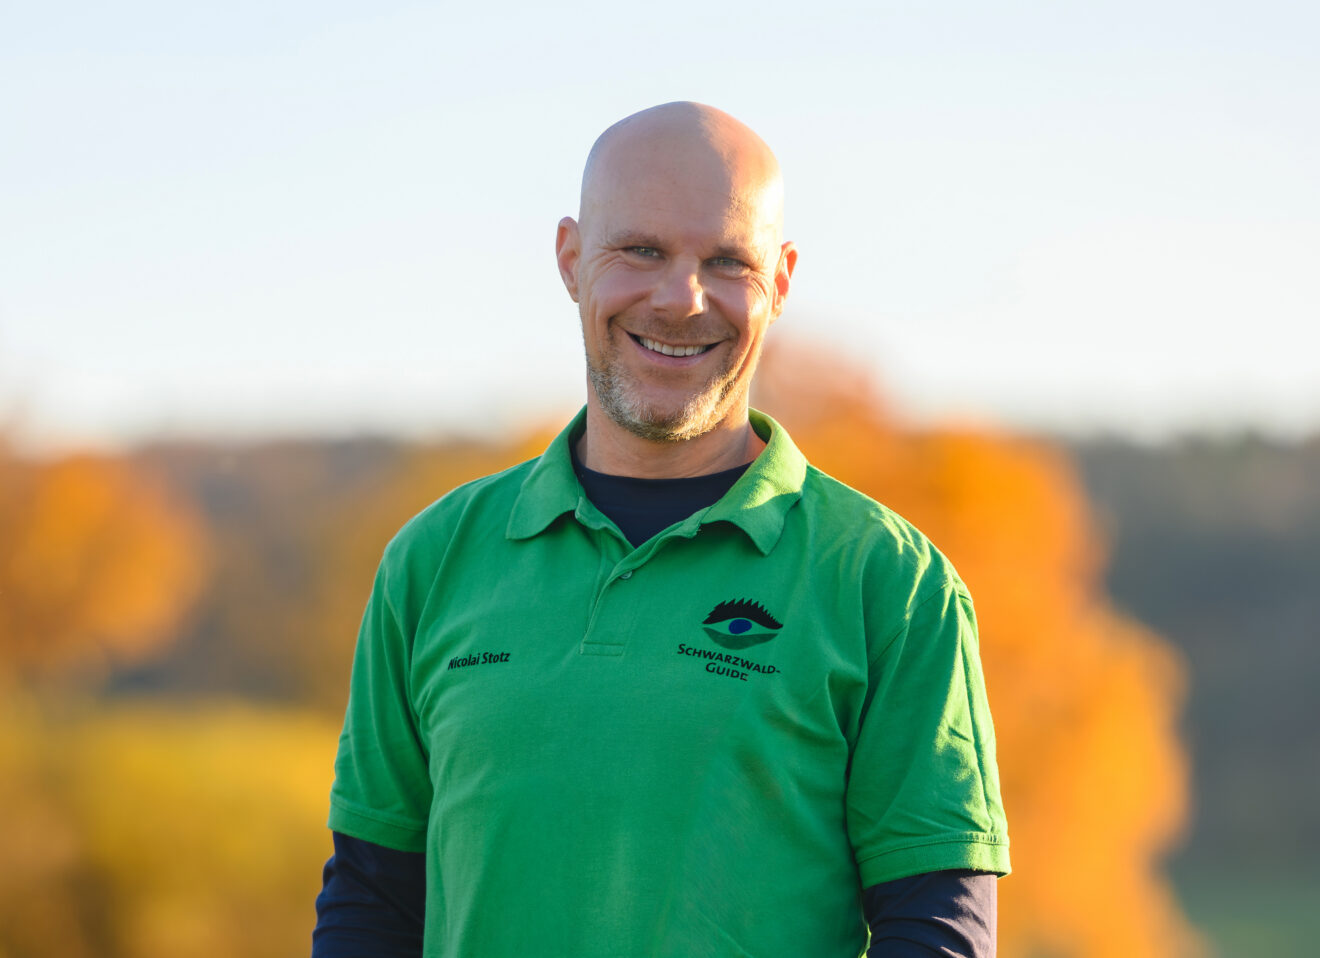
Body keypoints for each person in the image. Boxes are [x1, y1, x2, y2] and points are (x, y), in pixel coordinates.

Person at [314, 102, 1009, 958]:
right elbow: (372, 901)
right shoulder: (432, 562)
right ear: (571, 259)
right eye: (641, 250)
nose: (682, 299)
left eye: (727, 262)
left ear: (781, 283)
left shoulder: (891, 586)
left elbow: (937, 930)